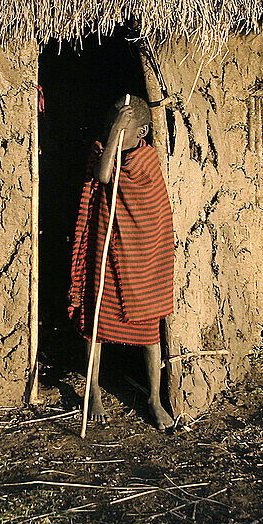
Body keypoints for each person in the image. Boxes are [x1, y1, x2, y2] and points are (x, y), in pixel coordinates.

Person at [68, 95, 176, 431]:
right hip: (104, 246)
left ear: (142, 130)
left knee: (149, 326)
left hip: (141, 254)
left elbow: (149, 210)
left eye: (123, 125)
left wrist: (115, 134)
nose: (114, 130)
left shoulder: (146, 159)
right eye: (112, 122)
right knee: (95, 319)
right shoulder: (104, 150)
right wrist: (113, 132)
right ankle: (93, 389)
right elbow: (102, 176)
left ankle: (154, 399)